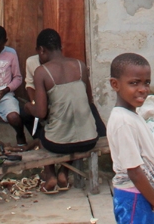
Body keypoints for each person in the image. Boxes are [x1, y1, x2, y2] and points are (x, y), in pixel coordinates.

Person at [26, 29, 99, 193]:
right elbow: (89, 101)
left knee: (41, 133)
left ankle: (50, 174)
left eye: (38, 53)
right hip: (89, 139)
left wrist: (28, 107)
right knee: (70, 128)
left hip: (58, 144)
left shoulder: (42, 72)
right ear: (60, 46)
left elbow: (41, 112)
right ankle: (64, 173)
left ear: (42, 50)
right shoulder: (80, 66)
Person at [107, 53, 154, 224]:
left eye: (146, 82)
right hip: (133, 197)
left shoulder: (132, 115)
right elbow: (134, 171)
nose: (143, 89)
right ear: (115, 84)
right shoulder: (123, 122)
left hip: (138, 195)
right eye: (134, 83)